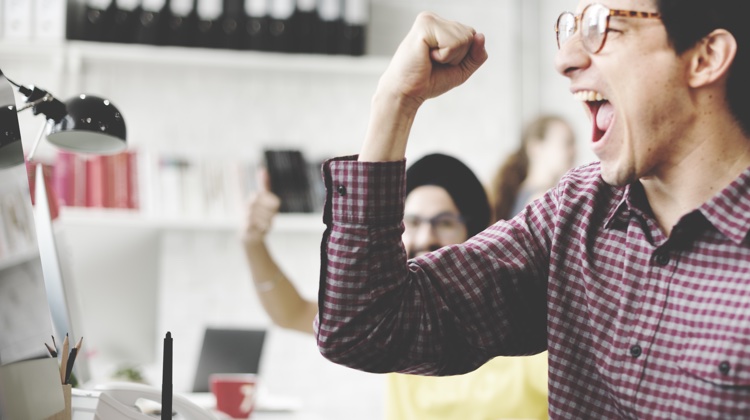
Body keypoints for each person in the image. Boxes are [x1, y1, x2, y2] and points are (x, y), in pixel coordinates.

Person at [315, 2, 750, 419]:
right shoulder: (574, 213)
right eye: (571, 27)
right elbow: (364, 327)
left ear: (705, 58)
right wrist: (396, 100)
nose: (564, 58)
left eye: (603, 26)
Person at [242, 153, 548, 419]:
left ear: (474, 235)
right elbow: (291, 313)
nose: (424, 237)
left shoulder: (521, 322)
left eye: (443, 222)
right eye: (412, 223)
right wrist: (253, 243)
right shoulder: (393, 314)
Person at [490, 115, 576, 221]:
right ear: (535, 147)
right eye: (567, 143)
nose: (574, 152)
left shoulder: (523, 193)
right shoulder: (541, 200)